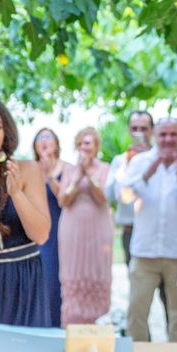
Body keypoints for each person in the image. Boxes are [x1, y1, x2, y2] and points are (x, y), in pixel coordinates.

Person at [121, 117, 177, 342]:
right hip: (144, 252)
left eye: (173, 134)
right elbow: (125, 197)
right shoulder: (140, 162)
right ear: (155, 136)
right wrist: (148, 174)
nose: (168, 139)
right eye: (163, 135)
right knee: (136, 313)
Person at [0, 99, 51, 326]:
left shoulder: (27, 170)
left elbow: (41, 235)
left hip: (22, 279)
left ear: (5, 132)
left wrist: (16, 193)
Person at [58, 127, 113, 326]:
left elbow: (102, 199)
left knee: (96, 270)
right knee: (73, 272)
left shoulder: (104, 168)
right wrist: (77, 177)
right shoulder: (69, 170)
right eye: (80, 143)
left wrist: (89, 176)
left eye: (87, 143)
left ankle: (95, 320)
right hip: (72, 226)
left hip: (98, 227)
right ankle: (71, 321)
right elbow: (62, 200)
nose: (84, 147)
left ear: (96, 146)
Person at [105, 111, 154, 268]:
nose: (139, 133)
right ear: (129, 130)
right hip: (130, 229)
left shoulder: (160, 158)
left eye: (144, 128)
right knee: (136, 285)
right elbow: (109, 195)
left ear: (152, 130)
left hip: (156, 229)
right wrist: (127, 164)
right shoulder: (120, 161)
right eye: (135, 128)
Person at [33, 128, 71, 327]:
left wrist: (48, 175)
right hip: (39, 232)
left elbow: (65, 200)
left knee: (59, 278)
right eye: (40, 137)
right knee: (43, 277)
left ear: (56, 143)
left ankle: (58, 325)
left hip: (62, 230)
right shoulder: (30, 168)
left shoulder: (67, 168)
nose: (44, 141)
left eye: (48, 136)